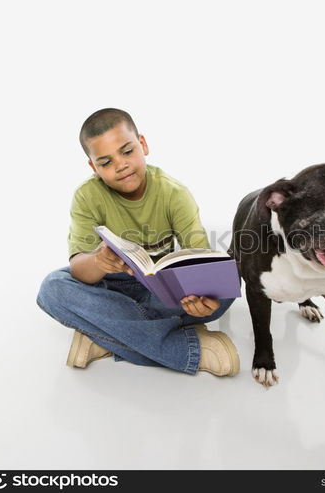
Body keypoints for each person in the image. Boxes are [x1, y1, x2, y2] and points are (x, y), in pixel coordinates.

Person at [36, 108, 239, 377]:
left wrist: (204, 297)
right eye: (106, 162)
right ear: (93, 167)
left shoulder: (173, 193)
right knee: (53, 288)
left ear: (143, 145)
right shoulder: (87, 196)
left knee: (227, 289)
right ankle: (192, 349)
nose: (120, 165)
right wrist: (98, 260)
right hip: (109, 288)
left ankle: (103, 336)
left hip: (162, 291)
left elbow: (199, 256)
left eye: (127, 151)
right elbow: (79, 272)